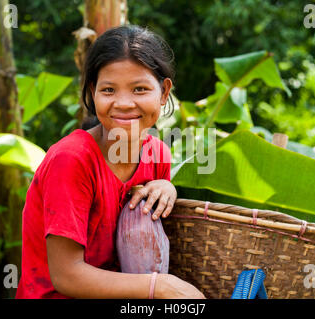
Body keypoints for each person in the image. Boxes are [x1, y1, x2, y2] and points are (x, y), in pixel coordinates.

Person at [15, 25, 205, 299]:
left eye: (140, 89)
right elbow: (67, 275)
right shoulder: (71, 160)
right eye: (109, 90)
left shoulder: (158, 155)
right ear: (93, 92)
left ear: (164, 93)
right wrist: (159, 287)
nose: (124, 103)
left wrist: (167, 187)